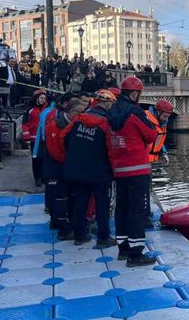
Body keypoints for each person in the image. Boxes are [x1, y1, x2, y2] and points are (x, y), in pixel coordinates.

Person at [108, 77, 158, 266]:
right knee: (137, 211)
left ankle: (123, 248)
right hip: (137, 168)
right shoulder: (134, 112)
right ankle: (136, 254)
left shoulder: (112, 112)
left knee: (121, 208)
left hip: (119, 168)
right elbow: (151, 135)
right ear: (135, 93)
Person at [62, 90, 117, 248]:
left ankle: (80, 235)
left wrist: (72, 157)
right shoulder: (107, 122)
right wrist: (113, 169)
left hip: (77, 168)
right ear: (107, 103)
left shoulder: (79, 118)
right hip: (100, 170)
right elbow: (111, 149)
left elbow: (64, 137)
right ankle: (103, 237)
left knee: (80, 202)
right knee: (102, 204)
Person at [43, 98, 87, 241]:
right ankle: (62, 228)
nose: (83, 115)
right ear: (72, 112)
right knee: (59, 198)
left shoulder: (77, 124)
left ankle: (67, 223)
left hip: (69, 168)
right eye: (81, 112)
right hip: (56, 168)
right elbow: (55, 150)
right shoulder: (54, 125)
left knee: (70, 197)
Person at [143, 99, 173, 227]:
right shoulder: (145, 119)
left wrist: (164, 152)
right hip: (141, 160)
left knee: (147, 187)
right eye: (165, 116)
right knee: (143, 188)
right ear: (158, 112)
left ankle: (146, 212)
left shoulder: (161, 122)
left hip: (149, 161)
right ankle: (144, 216)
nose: (166, 118)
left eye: (168, 116)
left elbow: (159, 139)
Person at [22, 90, 48, 186]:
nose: (43, 100)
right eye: (41, 98)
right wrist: (27, 138)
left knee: (44, 159)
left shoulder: (47, 110)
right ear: (37, 98)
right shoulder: (30, 110)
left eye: (44, 98)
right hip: (34, 139)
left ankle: (44, 176)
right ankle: (37, 177)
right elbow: (25, 124)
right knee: (36, 159)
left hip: (45, 139)